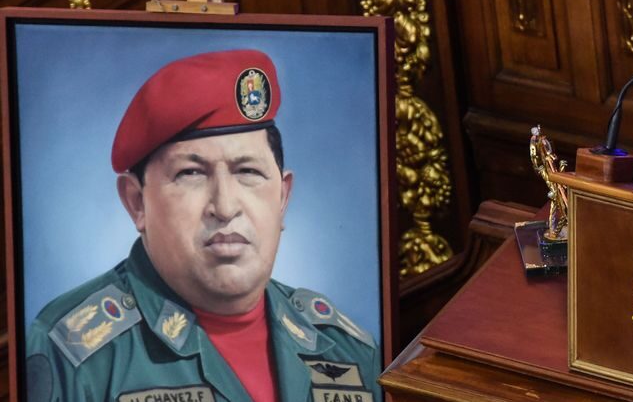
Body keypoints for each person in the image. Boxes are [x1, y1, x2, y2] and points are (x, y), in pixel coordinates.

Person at [26, 50, 382, 402]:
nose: (225, 207)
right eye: (191, 173)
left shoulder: (347, 348)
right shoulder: (75, 355)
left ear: (282, 198)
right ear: (137, 202)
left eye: (248, 172)